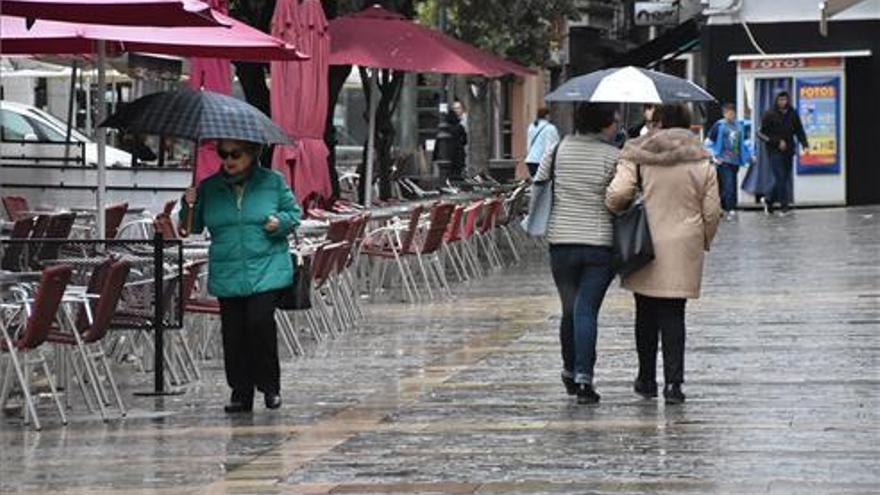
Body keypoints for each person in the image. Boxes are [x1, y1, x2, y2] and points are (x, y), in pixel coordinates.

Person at [606, 104, 722, 405]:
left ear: (659, 124)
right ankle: (674, 384)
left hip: (645, 242)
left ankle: (646, 378)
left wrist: (618, 207)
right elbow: (712, 210)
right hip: (685, 243)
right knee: (674, 313)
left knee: (645, 311)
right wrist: (704, 240)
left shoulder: (638, 155)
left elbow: (619, 194)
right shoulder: (702, 160)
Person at [180, 139, 301, 413]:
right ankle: (240, 392)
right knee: (233, 333)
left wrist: (279, 222)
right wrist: (188, 204)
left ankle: (270, 387)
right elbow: (192, 227)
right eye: (223, 153)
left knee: (259, 324)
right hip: (228, 270)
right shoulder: (209, 188)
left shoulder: (273, 182)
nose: (228, 160)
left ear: (253, 153)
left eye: (235, 153)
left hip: (267, 269)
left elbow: (294, 214)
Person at [534, 103, 620, 404]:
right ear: (605, 123)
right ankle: (584, 379)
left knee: (570, 308)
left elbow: (539, 184)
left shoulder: (557, 150)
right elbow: (622, 196)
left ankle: (569, 371)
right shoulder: (613, 156)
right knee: (587, 310)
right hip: (600, 244)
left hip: (562, 241)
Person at [759, 91, 809, 215]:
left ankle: (768, 200)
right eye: (780, 100)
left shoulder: (792, 113)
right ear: (776, 100)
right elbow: (761, 133)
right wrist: (776, 142)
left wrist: (805, 144)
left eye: (785, 99)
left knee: (784, 179)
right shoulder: (769, 114)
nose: (783, 102)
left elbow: (799, 130)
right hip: (774, 151)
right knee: (780, 178)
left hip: (789, 150)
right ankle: (784, 208)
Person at [706, 103, 751, 219]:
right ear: (724, 114)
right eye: (728, 113)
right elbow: (709, 142)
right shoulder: (719, 125)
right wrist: (714, 156)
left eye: (732, 113)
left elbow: (744, 143)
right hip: (723, 160)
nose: (730, 115)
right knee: (728, 184)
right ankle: (729, 208)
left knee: (731, 184)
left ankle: (723, 206)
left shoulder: (739, 125)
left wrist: (750, 155)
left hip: (735, 160)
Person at [525, 107, 560, 178]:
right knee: (545, 184)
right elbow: (551, 146)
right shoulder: (550, 128)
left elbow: (529, 144)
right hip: (542, 161)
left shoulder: (532, 126)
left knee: (535, 182)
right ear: (547, 116)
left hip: (531, 160)